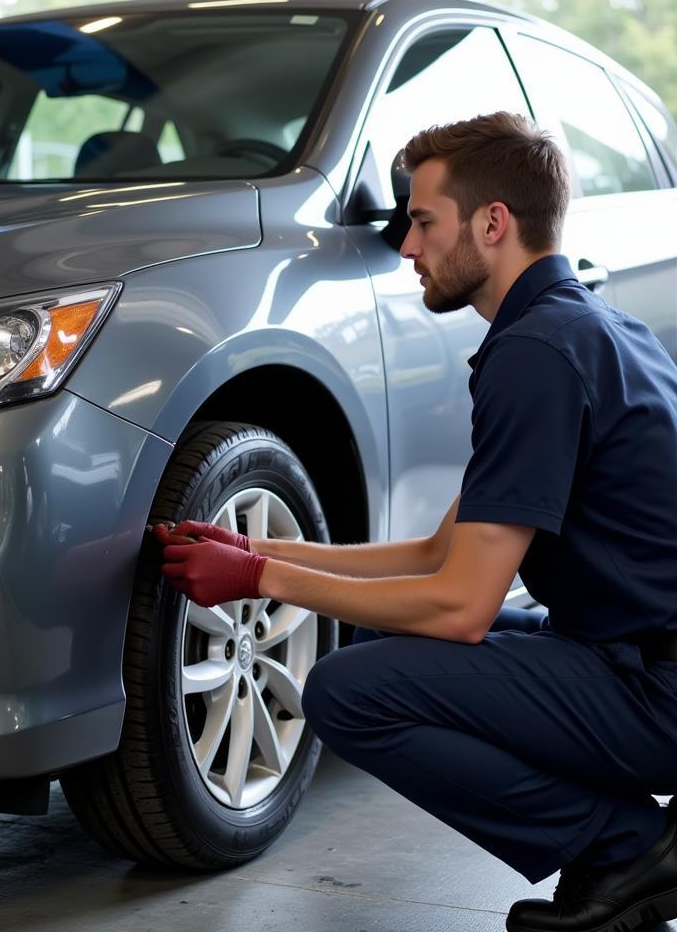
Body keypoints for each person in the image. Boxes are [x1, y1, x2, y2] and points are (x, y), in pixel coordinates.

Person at [153, 112, 677, 932]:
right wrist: (263, 547)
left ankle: (629, 846)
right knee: (369, 643)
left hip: (655, 688)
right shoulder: (585, 326)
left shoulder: (536, 355)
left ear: (493, 222)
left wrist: (260, 579)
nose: (405, 245)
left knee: (347, 693)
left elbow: (461, 608)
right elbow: (441, 551)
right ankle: (619, 858)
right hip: (632, 654)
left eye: (424, 220)